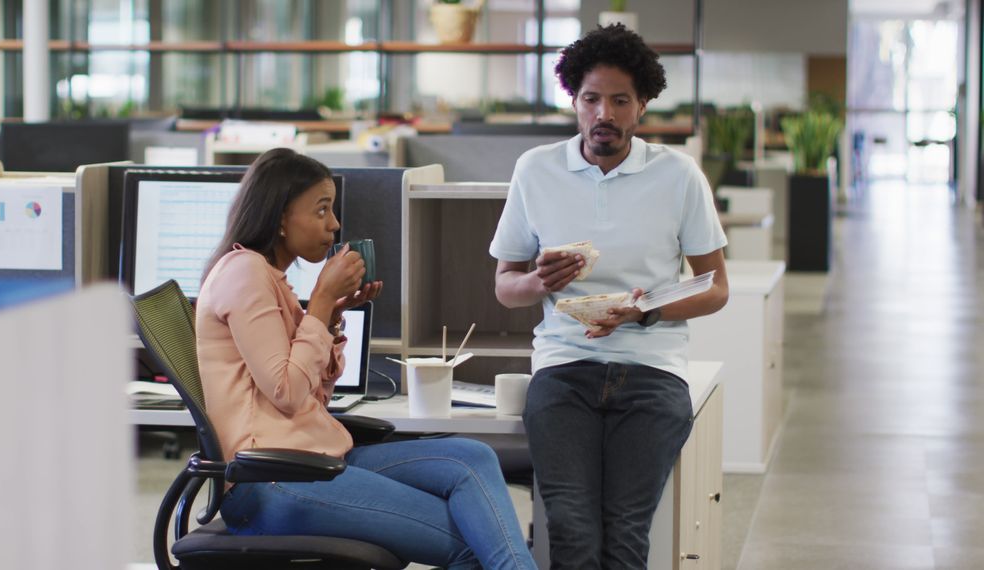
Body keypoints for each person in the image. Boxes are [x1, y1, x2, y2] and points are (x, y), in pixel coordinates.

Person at [195, 148, 537, 570]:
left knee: (473, 457)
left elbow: (311, 397)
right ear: (281, 216)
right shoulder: (244, 272)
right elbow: (286, 391)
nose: (334, 224)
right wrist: (320, 302)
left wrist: (332, 314)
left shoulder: (271, 278)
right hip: (273, 479)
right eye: (321, 210)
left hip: (314, 458)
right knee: (473, 544)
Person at [489, 25, 730, 569]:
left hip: (652, 373)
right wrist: (539, 283)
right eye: (592, 99)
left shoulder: (678, 176)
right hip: (564, 368)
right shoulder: (536, 169)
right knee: (570, 530)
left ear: (642, 105)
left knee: (625, 532)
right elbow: (506, 286)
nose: (605, 114)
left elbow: (716, 286)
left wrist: (643, 312)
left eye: (621, 100)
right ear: (575, 102)